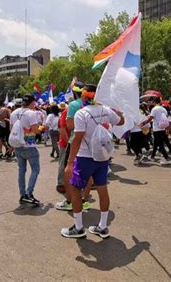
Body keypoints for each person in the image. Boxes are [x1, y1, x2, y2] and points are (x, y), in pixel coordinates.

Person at [61, 84, 124, 239]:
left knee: (76, 190)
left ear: (83, 96)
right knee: (102, 189)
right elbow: (121, 122)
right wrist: (119, 114)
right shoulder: (106, 111)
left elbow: (78, 138)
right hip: (103, 157)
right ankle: (102, 227)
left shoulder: (82, 114)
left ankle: (78, 227)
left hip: (84, 158)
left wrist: (69, 163)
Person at [56, 82, 92, 211]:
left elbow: (70, 126)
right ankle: (84, 200)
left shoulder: (74, 105)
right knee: (89, 172)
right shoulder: (98, 106)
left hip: (76, 140)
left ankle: (70, 201)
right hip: (92, 142)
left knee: (69, 169)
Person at [10, 94, 42, 205]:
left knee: (21, 171)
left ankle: (22, 194)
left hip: (18, 145)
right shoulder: (31, 113)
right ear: (32, 103)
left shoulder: (14, 112)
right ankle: (29, 193)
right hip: (29, 145)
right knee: (35, 169)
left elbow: (11, 129)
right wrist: (41, 127)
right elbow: (36, 130)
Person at [139, 97, 170, 164]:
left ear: (154, 102)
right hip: (162, 128)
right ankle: (152, 156)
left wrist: (143, 123)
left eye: (151, 101)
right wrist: (167, 128)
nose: (150, 103)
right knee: (156, 144)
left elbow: (150, 118)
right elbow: (166, 119)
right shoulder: (164, 109)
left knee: (160, 145)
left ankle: (166, 157)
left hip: (157, 129)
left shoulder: (154, 109)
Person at [56, 102, 69, 193]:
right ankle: (61, 183)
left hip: (76, 143)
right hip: (65, 143)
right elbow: (61, 128)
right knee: (62, 163)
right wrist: (69, 142)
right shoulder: (65, 112)